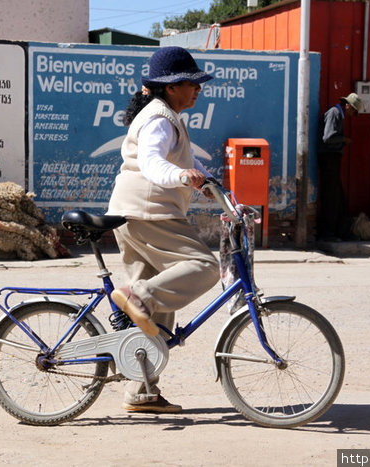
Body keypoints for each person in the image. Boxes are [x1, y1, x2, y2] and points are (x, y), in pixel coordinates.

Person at [107, 46, 220, 414]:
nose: (198, 89)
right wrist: (181, 175)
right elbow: (154, 163)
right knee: (204, 267)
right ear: (171, 87)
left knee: (158, 316)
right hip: (149, 214)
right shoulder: (159, 118)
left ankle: (141, 390)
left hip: (133, 214)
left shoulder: (165, 115)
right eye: (192, 83)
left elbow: (175, 161)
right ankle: (136, 295)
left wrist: (200, 179)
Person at [317, 93, 363, 241]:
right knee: (331, 196)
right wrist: (344, 139)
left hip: (331, 159)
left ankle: (337, 231)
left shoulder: (337, 113)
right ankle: (327, 233)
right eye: (354, 112)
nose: (352, 115)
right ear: (348, 106)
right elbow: (328, 137)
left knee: (336, 196)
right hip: (329, 158)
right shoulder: (335, 113)